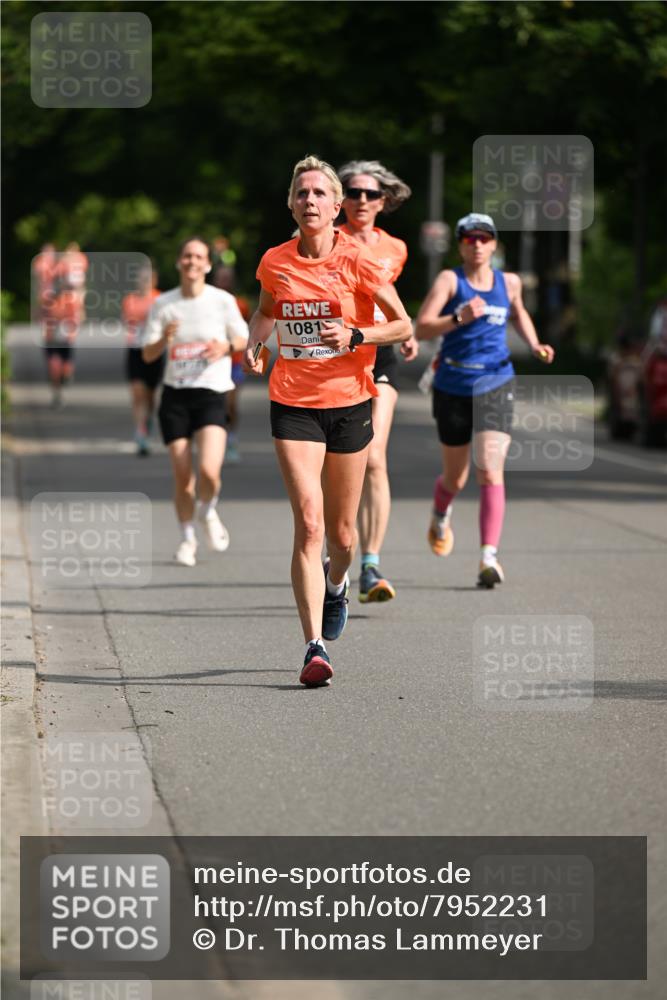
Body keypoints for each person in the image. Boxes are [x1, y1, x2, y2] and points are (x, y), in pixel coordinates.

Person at [245, 154, 412, 688]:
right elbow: (266, 310)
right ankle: (313, 646)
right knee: (310, 524)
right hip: (292, 402)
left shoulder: (361, 261)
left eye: (320, 194)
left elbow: (402, 323)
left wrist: (357, 336)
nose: (310, 201)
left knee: (342, 535)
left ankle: (338, 583)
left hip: (349, 402)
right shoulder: (275, 260)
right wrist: (254, 340)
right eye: (302, 194)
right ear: (291, 204)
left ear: (336, 207)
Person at [415, 212, 555, 587]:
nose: (477, 244)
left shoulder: (508, 282)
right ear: (461, 244)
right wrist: (457, 318)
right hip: (453, 384)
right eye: (469, 238)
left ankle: (488, 557)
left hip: (495, 381)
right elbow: (422, 326)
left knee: (490, 470)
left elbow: (519, 314)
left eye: (484, 238)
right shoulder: (450, 280)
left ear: (494, 244)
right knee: (456, 477)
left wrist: (535, 343)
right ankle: (441, 513)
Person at [338, 159, 419, 603]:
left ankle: (370, 565)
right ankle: (339, 547)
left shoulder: (396, 249)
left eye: (370, 194)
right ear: (341, 199)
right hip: (335, 356)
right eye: (353, 192)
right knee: (342, 459)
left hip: (379, 352)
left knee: (374, 458)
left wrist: (407, 332)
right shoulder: (324, 241)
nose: (361, 201)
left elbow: (390, 301)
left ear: (383, 201)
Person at [142, 237, 249, 567]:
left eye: (198, 256)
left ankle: (208, 511)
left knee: (209, 471)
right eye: (186, 255)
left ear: (207, 264)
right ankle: (187, 539)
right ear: (179, 262)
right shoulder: (164, 304)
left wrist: (226, 347)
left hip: (211, 393)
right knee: (183, 475)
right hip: (175, 395)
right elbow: (147, 354)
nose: (192, 261)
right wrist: (165, 338)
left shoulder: (222, 301)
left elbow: (243, 336)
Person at [211, 264, 252, 463]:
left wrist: (255, 356)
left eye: (227, 278)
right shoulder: (206, 302)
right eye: (221, 277)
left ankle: (232, 439)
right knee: (215, 403)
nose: (224, 281)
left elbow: (254, 331)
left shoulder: (240, 304)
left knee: (230, 403)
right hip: (213, 361)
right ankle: (215, 442)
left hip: (235, 361)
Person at [122, 265, 163, 456]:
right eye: (140, 279)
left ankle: (147, 423)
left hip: (154, 351)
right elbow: (127, 321)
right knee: (137, 393)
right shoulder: (130, 299)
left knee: (150, 395)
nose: (143, 282)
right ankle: (140, 431)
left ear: (153, 280)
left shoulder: (159, 299)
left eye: (147, 279)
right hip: (135, 350)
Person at [42, 282, 84, 408]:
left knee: (65, 369)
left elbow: (77, 318)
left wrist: (71, 329)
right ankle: (57, 395)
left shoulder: (69, 302)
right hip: (51, 340)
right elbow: (41, 316)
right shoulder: (47, 302)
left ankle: (66, 376)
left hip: (65, 339)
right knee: (54, 367)